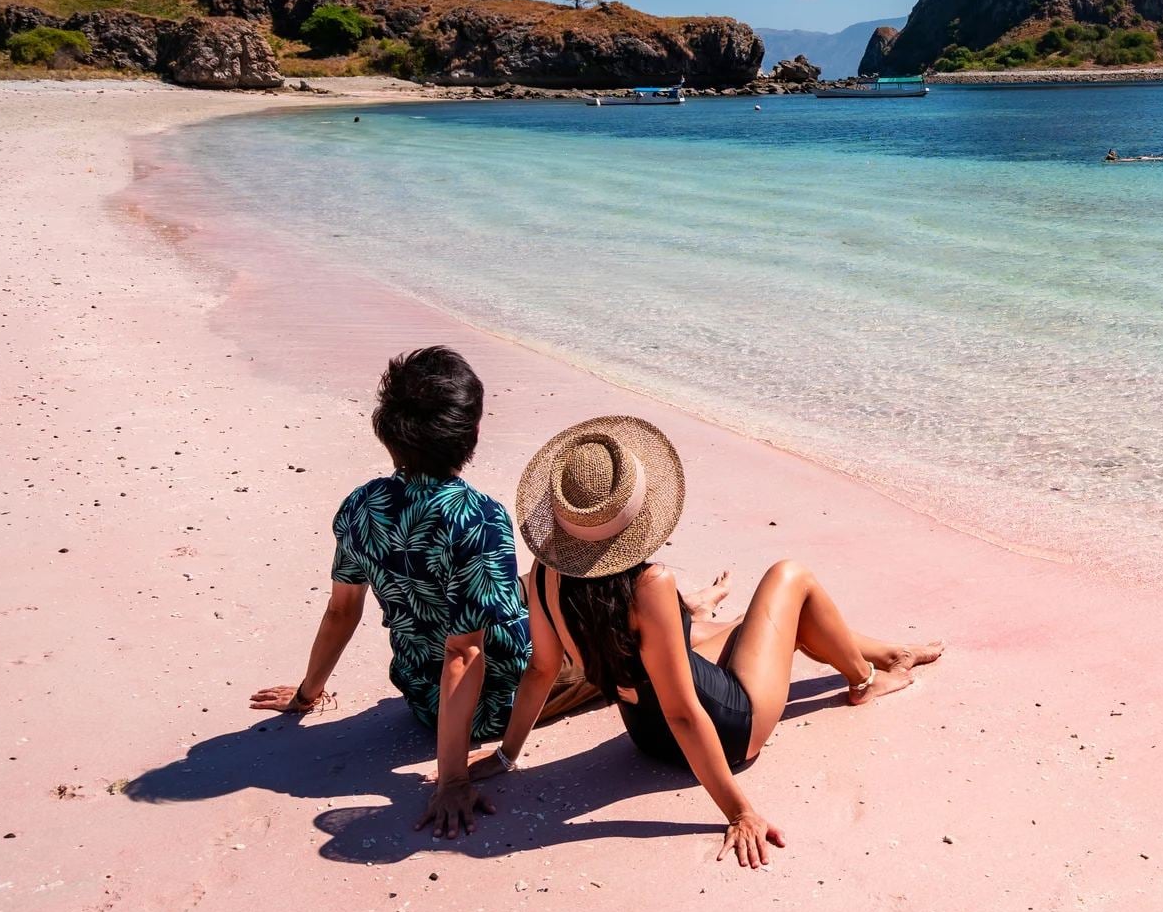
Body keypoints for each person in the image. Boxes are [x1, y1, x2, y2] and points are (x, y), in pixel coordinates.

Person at [458, 415, 943, 866]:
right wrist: (739, 811)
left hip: (644, 737)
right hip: (729, 731)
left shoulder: (546, 573)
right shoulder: (650, 585)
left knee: (746, 625)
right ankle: (864, 680)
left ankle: (888, 653)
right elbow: (685, 712)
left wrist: (507, 755)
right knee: (790, 577)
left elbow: (542, 669)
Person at [250, 347, 583, 835]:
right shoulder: (480, 516)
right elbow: (465, 654)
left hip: (422, 694)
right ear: (471, 434)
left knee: (530, 582)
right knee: (620, 632)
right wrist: (452, 778)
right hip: (494, 702)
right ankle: (691, 619)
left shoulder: (362, 506)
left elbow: (342, 610)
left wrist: (307, 695)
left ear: (388, 433)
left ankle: (685, 607)